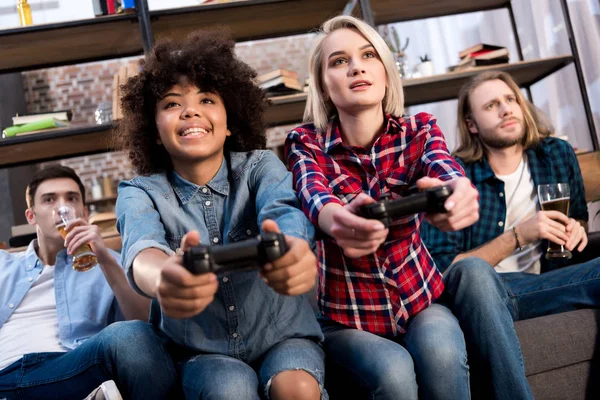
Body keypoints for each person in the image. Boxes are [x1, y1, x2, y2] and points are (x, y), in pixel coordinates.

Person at [115, 30, 326, 400]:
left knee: (299, 390)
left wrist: (295, 251)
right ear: (155, 131)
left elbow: (286, 215)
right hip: (201, 352)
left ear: (230, 123)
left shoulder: (261, 167)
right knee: (230, 389)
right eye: (171, 104)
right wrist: (165, 277)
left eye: (207, 99)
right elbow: (142, 250)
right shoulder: (139, 192)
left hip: (284, 336)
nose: (190, 110)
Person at [285, 15, 480, 400]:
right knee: (393, 373)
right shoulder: (303, 142)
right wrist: (334, 219)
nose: (356, 66)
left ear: (387, 73)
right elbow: (313, 193)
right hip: (345, 320)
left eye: (368, 55)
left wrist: (456, 190)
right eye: (339, 61)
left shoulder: (420, 130)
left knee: (442, 353)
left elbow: (446, 170)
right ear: (324, 86)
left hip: (421, 302)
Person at [422, 70, 600, 398]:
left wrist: (576, 229)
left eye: (511, 99)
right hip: (486, 296)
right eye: (491, 105)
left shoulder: (556, 154)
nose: (506, 109)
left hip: (545, 284)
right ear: (472, 123)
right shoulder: (455, 176)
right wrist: (519, 234)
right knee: (473, 272)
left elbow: (577, 217)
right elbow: (442, 270)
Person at [0, 166, 179, 400]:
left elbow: (146, 324)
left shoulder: (110, 263)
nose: (61, 208)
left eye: (71, 198)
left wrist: (104, 258)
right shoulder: (4, 264)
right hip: (6, 373)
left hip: (70, 371)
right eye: (49, 199)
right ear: (31, 216)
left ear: (83, 213)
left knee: (133, 335)